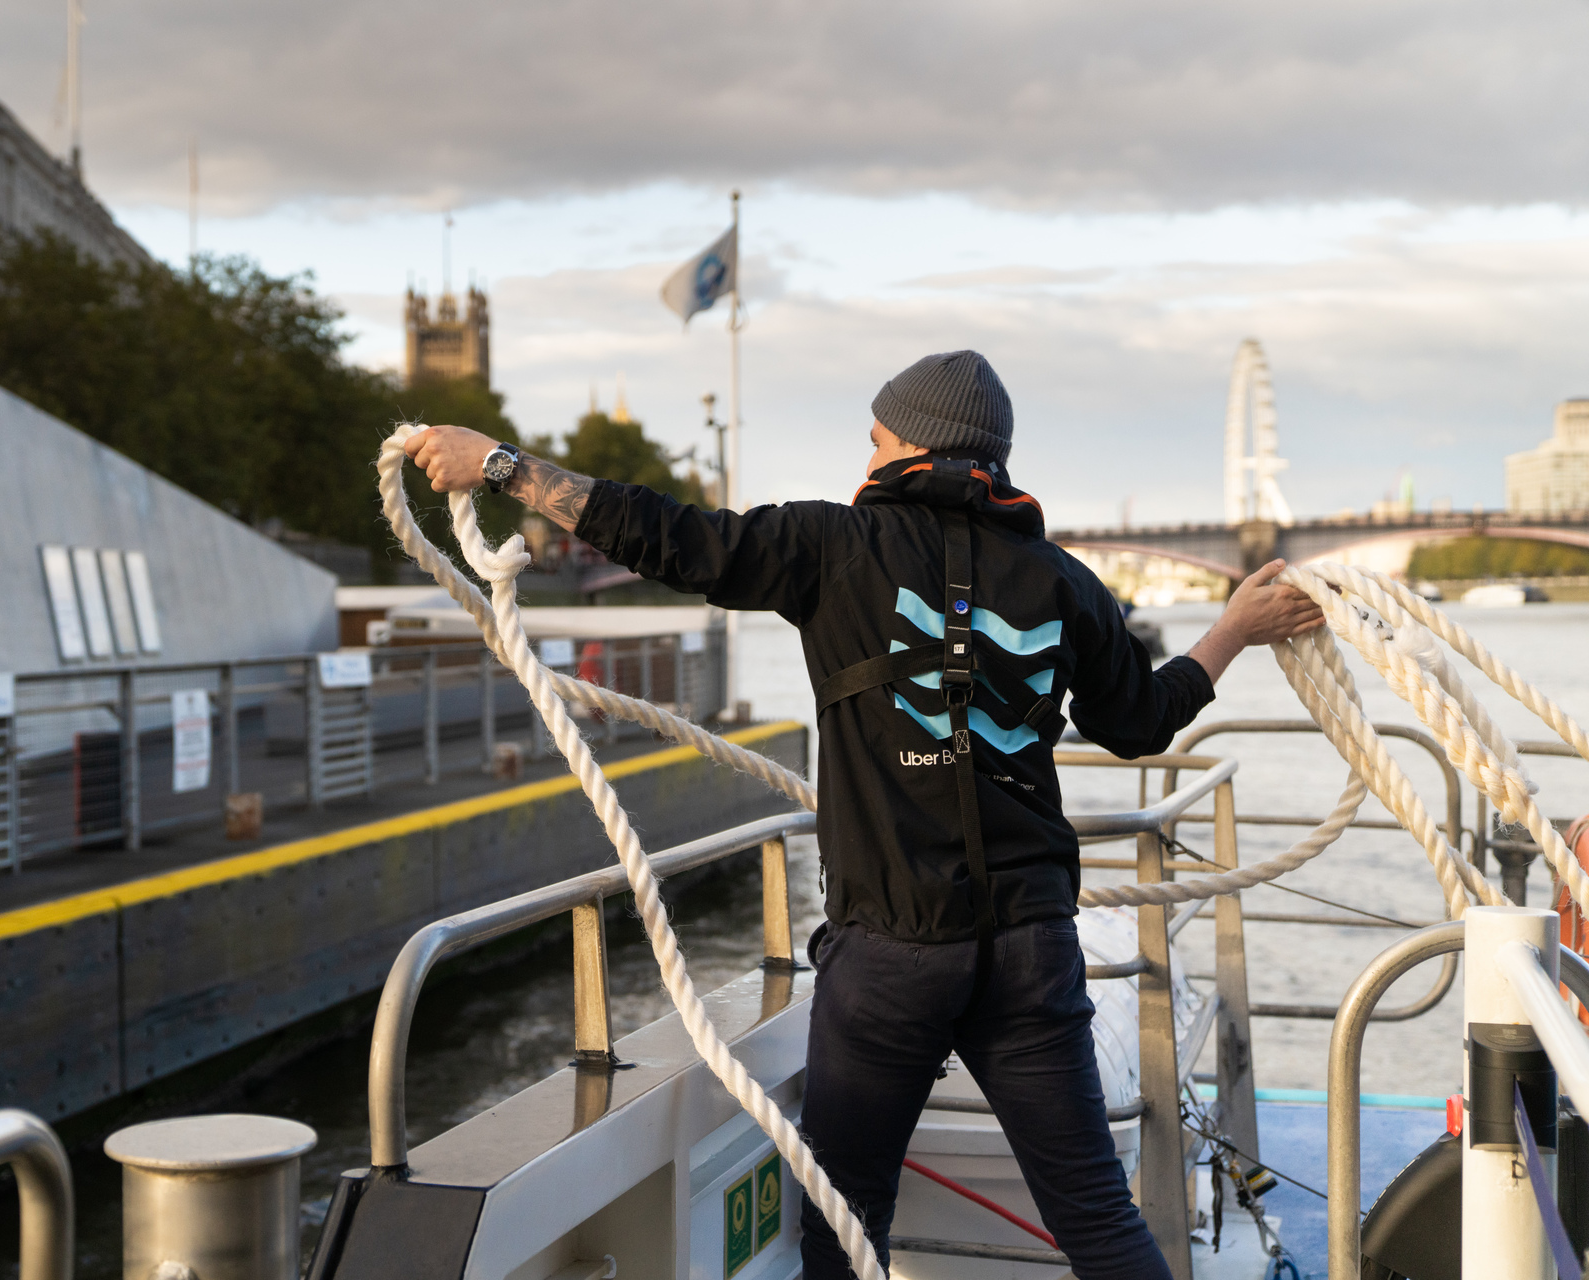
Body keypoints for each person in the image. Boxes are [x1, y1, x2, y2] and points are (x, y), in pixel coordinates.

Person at [403, 350, 1323, 1280]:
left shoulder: (831, 545)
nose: (868, 457)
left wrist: (502, 467)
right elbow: (1139, 723)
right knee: (1094, 1213)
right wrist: (1233, 630)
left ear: (915, 445)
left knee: (846, 1220)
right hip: (1032, 947)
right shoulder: (1063, 581)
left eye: (876, 439)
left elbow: (670, 537)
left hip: (891, 954)